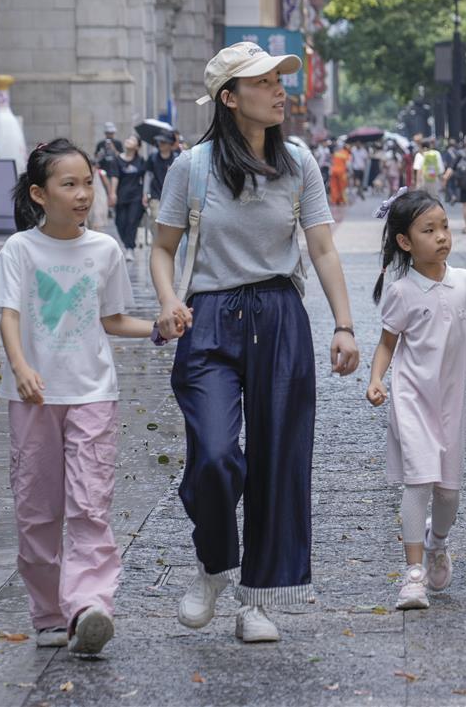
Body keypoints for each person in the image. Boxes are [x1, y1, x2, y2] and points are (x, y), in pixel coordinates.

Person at [150, 41, 360, 644]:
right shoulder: (191, 167)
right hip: (209, 316)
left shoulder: (298, 162)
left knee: (278, 457)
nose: (278, 90)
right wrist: (168, 300)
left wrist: (344, 325)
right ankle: (215, 563)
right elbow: (163, 249)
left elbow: (321, 247)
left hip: (279, 312)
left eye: (279, 80)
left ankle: (258, 598)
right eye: (264, 82)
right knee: (214, 454)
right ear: (229, 97)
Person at [0, 139, 174, 656]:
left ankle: (90, 607)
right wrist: (22, 367)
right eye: (70, 184)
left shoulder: (104, 249)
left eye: (88, 182)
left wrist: (156, 329)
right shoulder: (20, 249)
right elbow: (9, 314)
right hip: (34, 399)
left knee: (90, 504)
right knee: (37, 509)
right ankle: (47, 612)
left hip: (93, 393)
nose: (84, 193)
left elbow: (111, 320)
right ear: (40, 194)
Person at [365, 188, 466, 609]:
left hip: (451, 404)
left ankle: (437, 542)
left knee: (449, 493)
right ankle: (413, 573)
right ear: (405, 241)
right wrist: (376, 379)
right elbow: (387, 343)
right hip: (411, 399)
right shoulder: (400, 290)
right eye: (429, 230)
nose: (442, 236)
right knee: (418, 482)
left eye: (444, 227)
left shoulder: (465, 282)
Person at [111, 136, 146, 260]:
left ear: (137, 147)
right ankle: (127, 244)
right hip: (121, 196)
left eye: (132, 140)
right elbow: (115, 177)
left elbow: (145, 177)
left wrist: (145, 195)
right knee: (119, 222)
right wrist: (112, 193)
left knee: (132, 222)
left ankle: (129, 248)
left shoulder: (140, 160)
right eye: (128, 139)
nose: (128, 140)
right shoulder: (117, 159)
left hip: (136, 197)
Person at [143, 131, 180, 231]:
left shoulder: (177, 159)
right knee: (155, 218)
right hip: (156, 194)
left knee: (170, 222)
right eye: (159, 142)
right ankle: (156, 241)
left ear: (170, 144)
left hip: (172, 196)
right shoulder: (153, 157)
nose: (161, 144)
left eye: (164, 142)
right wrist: (145, 193)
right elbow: (148, 175)